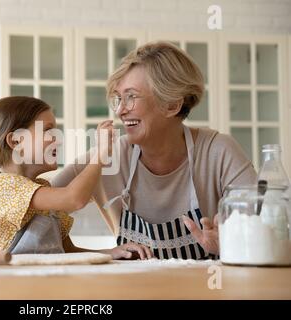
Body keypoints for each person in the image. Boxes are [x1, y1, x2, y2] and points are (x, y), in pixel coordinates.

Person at [52, 42, 257, 259]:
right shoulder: (107, 158)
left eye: (131, 97)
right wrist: (101, 253)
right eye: (118, 99)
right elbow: (34, 211)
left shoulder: (219, 151)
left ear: (171, 105)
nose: (121, 110)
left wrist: (227, 245)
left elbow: (272, 230)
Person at [0, 96, 153, 259]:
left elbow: (66, 252)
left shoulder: (42, 187)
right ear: (16, 141)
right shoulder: (2, 186)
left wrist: (112, 252)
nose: (58, 139)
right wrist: (101, 153)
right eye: (48, 131)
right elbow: (74, 199)